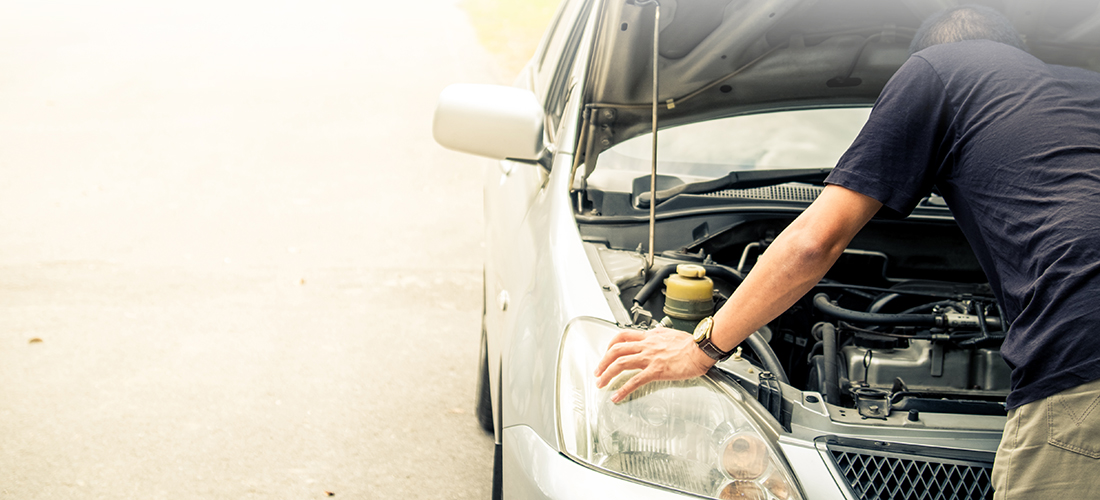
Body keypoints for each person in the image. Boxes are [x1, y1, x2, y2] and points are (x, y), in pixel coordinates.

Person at [594, 5, 1100, 497]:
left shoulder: (937, 68)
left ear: (922, 57)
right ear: (1020, 52)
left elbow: (816, 239)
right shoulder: (1083, 88)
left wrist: (703, 347)